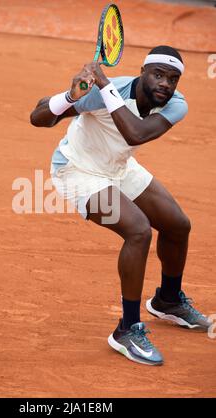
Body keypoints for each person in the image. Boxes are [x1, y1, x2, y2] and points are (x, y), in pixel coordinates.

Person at [30, 45, 211, 366]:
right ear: (142, 73)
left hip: (119, 168)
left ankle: (168, 300)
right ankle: (126, 329)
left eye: (173, 79)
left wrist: (104, 84)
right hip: (78, 171)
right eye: (158, 75)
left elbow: (135, 134)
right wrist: (70, 97)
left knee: (177, 224)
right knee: (138, 231)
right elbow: (39, 118)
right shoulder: (100, 94)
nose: (165, 84)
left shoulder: (175, 105)